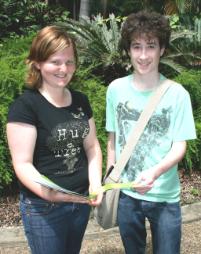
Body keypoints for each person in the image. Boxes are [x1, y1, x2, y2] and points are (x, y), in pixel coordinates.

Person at [106, 11, 196, 254]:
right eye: (136, 47)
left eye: (151, 46)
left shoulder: (178, 94)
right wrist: (109, 177)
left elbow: (180, 146)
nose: (143, 55)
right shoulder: (115, 90)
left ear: (162, 49)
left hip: (165, 196)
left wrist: (155, 172)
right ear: (128, 50)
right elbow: (113, 139)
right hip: (126, 195)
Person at [6, 25, 102, 254]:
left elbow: (92, 147)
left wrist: (95, 183)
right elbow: (22, 164)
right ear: (38, 62)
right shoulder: (25, 106)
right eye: (55, 61)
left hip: (80, 203)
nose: (63, 69)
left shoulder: (80, 100)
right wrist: (48, 193)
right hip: (44, 208)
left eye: (69, 62)